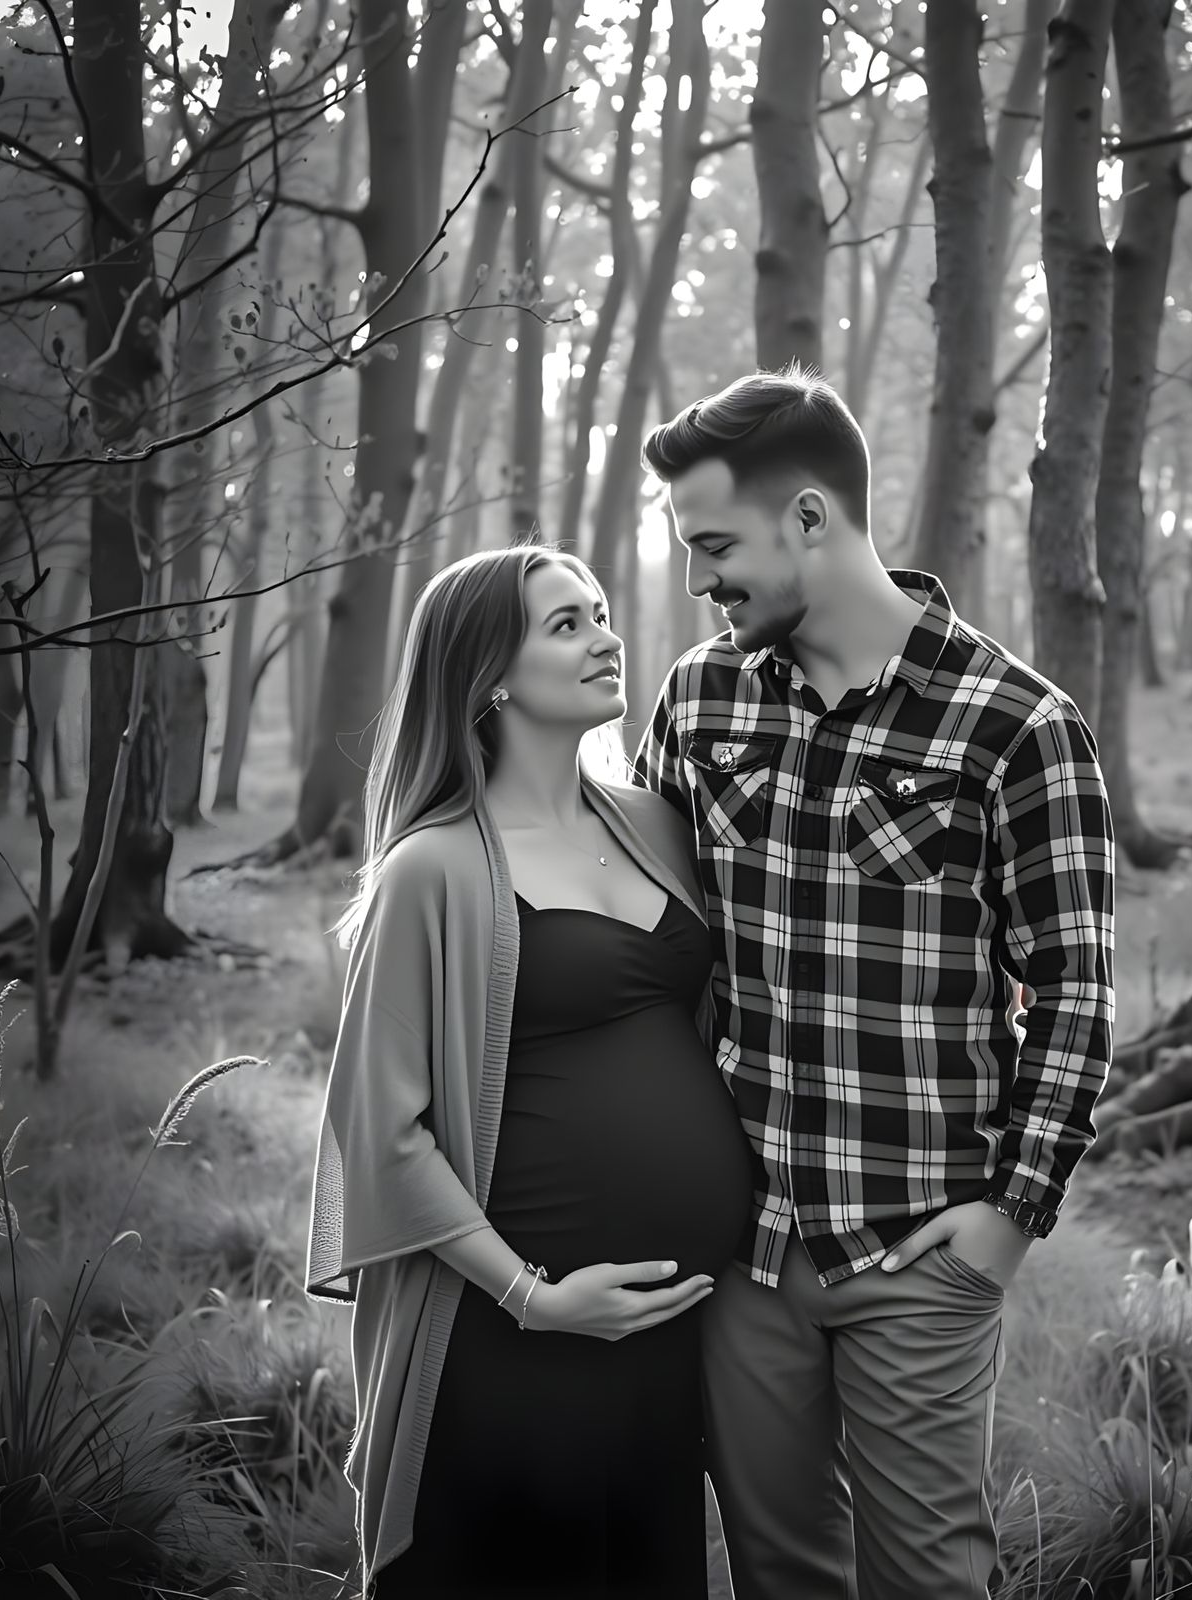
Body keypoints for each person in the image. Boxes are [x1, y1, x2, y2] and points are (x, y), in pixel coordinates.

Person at [633, 368, 1117, 1600]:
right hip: (737, 1248)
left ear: (809, 517)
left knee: (929, 1581)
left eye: (714, 547)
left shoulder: (1017, 724)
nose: (699, 581)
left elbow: (1072, 992)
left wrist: (1009, 1219)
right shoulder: (698, 699)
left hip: (918, 1246)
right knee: (779, 1575)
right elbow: (649, 944)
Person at [304, 545, 753, 1600]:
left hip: (667, 1331)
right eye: (566, 624)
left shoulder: (654, 824)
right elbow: (382, 1132)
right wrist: (533, 1297)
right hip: (509, 1333)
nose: (606, 638)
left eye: (600, 612)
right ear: (489, 675)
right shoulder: (433, 868)